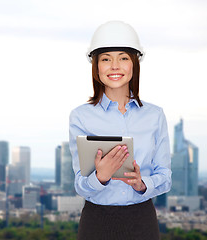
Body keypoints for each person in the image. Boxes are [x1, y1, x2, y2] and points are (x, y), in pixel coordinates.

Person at [69, 21, 172, 240]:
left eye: (123, 58)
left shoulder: (155, 116)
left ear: (134, 64)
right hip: (96, 222)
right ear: (96, 67)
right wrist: (100, 177)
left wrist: (143, 184)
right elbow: (80, 185)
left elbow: (165, 175)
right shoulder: (81, 116)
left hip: (142, 220)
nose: (115, 66)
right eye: (106, 59)